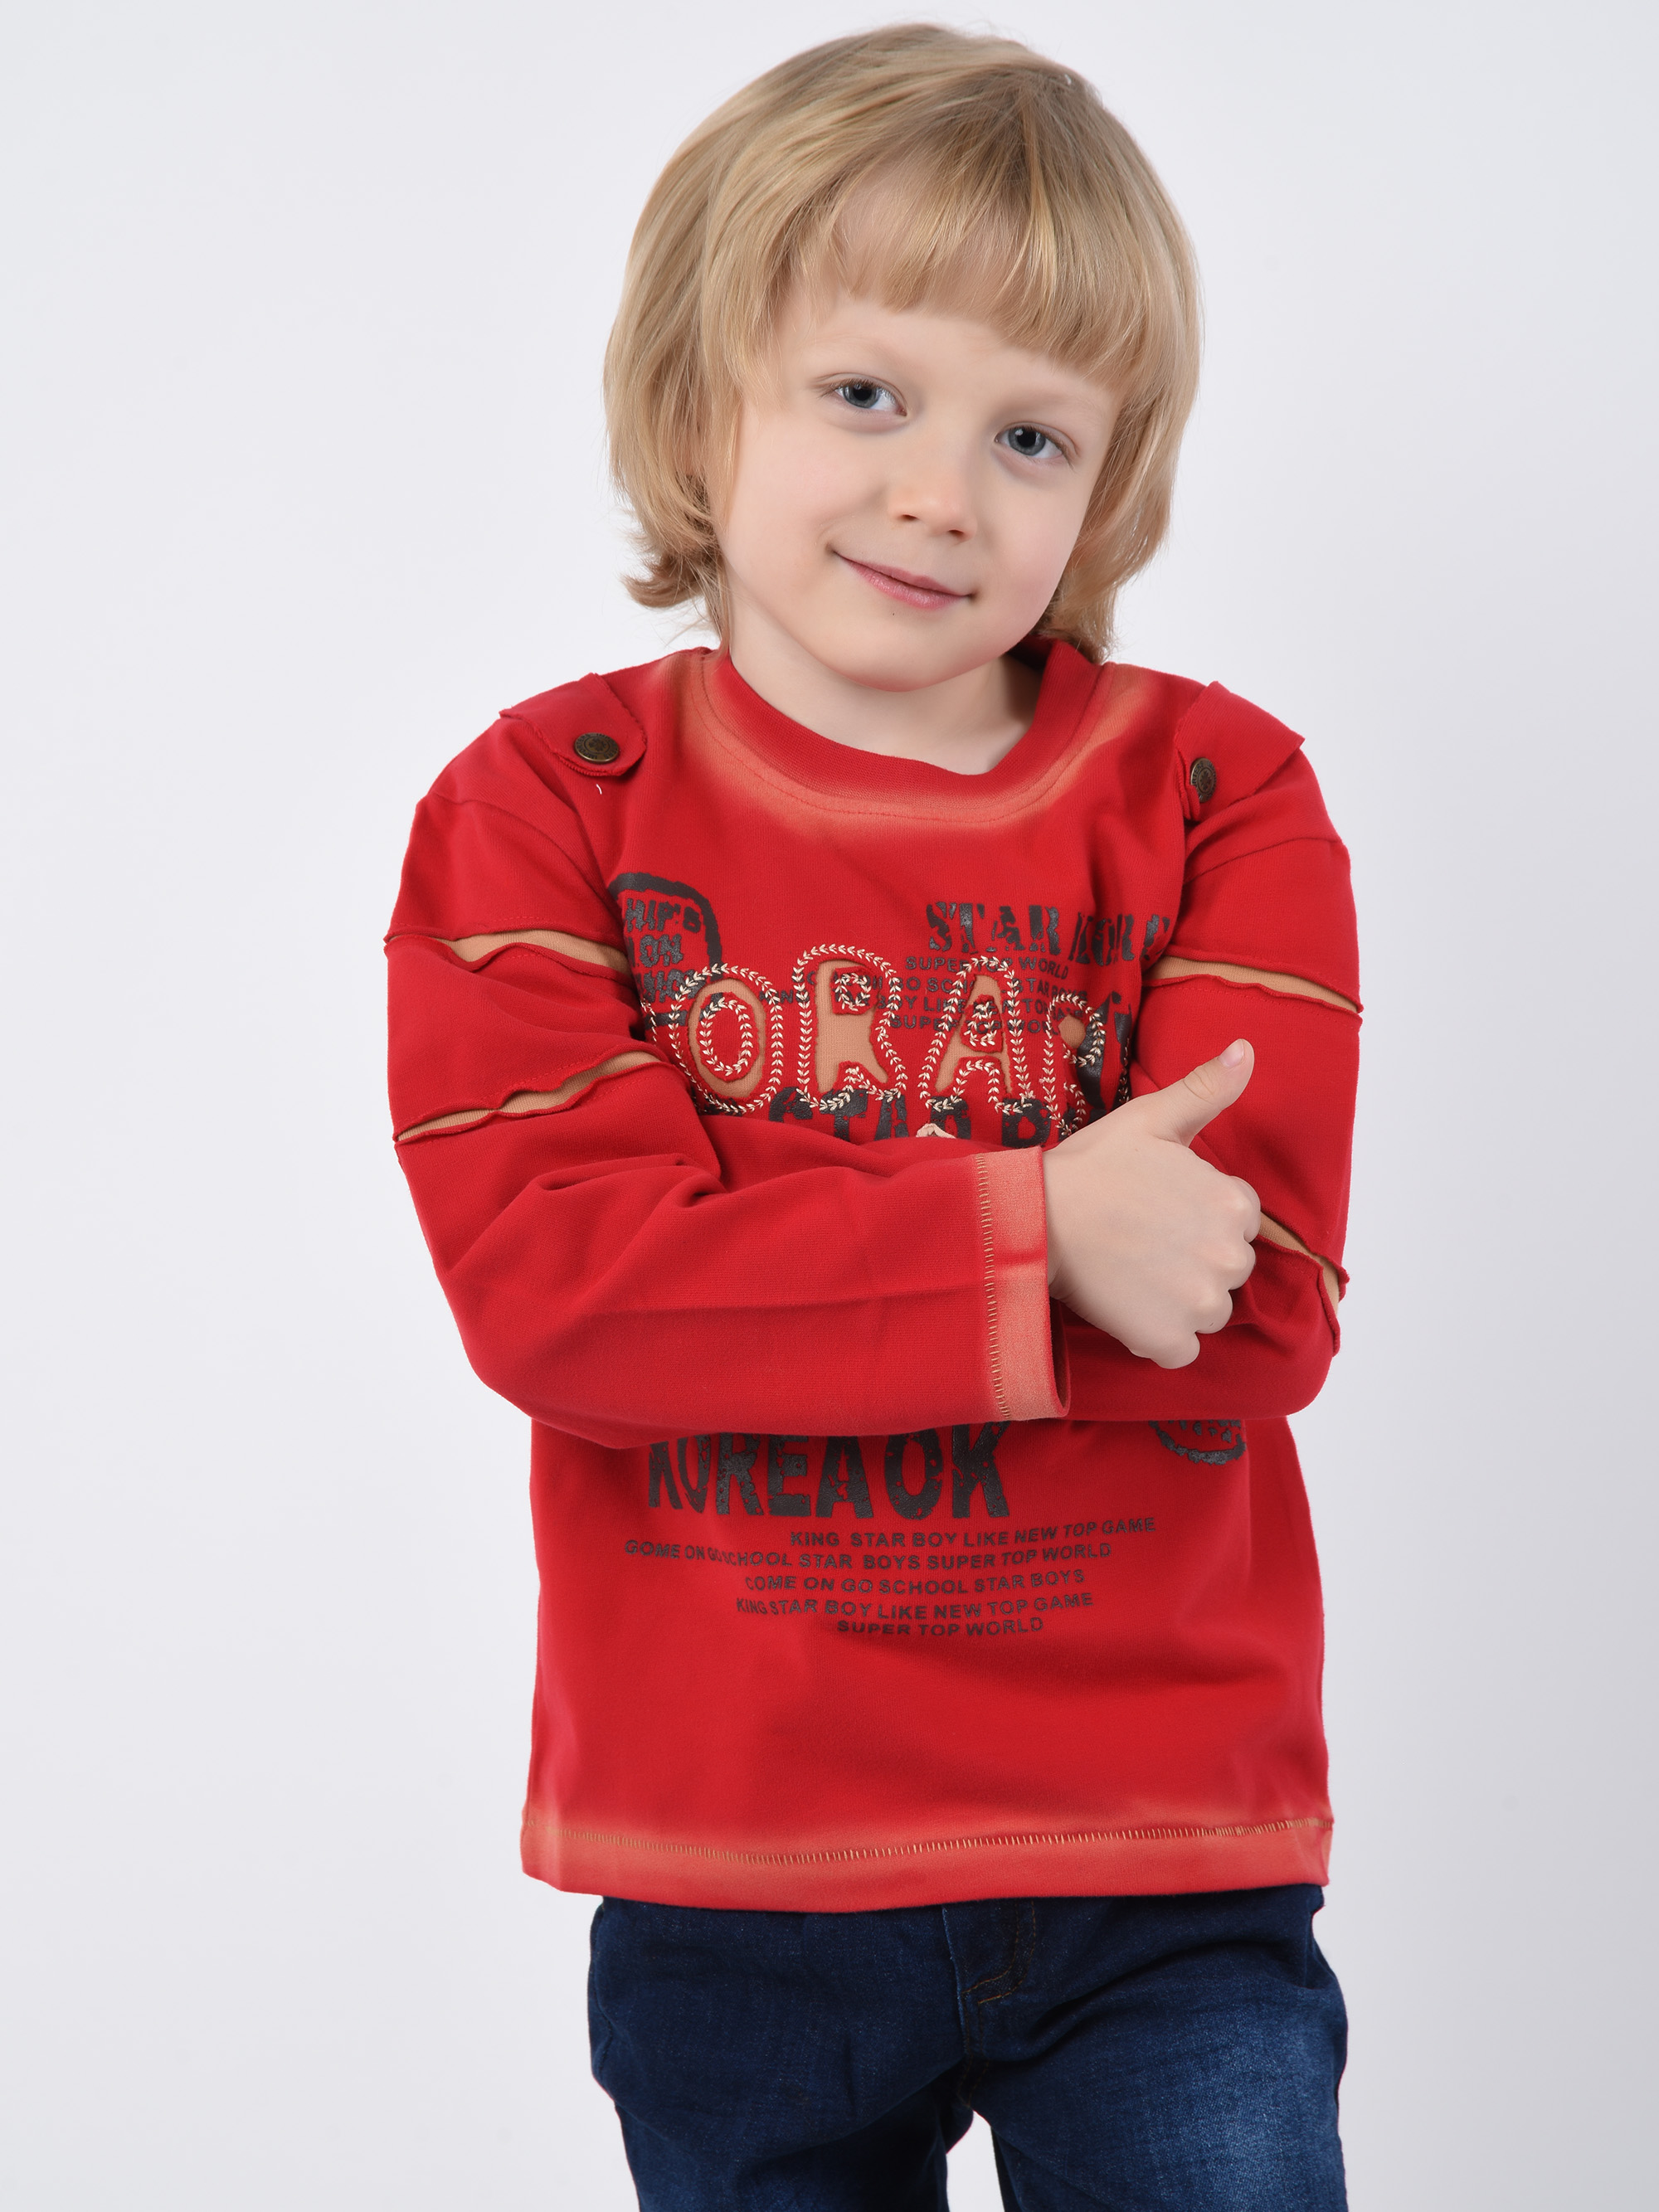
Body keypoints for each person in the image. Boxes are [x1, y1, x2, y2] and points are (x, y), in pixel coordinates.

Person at [386, 25, 1360, 2209]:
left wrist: (773, 1270)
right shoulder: (540, 809)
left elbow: (1259, 1296)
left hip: (1160, 1849)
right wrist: (1041, 1230)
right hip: (735, 1859)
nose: (940, 491)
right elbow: (564, 1302)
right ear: (696, 399)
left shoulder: (1222, 792)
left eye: (1030, 433)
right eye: (863, 392)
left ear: (1104, 491)